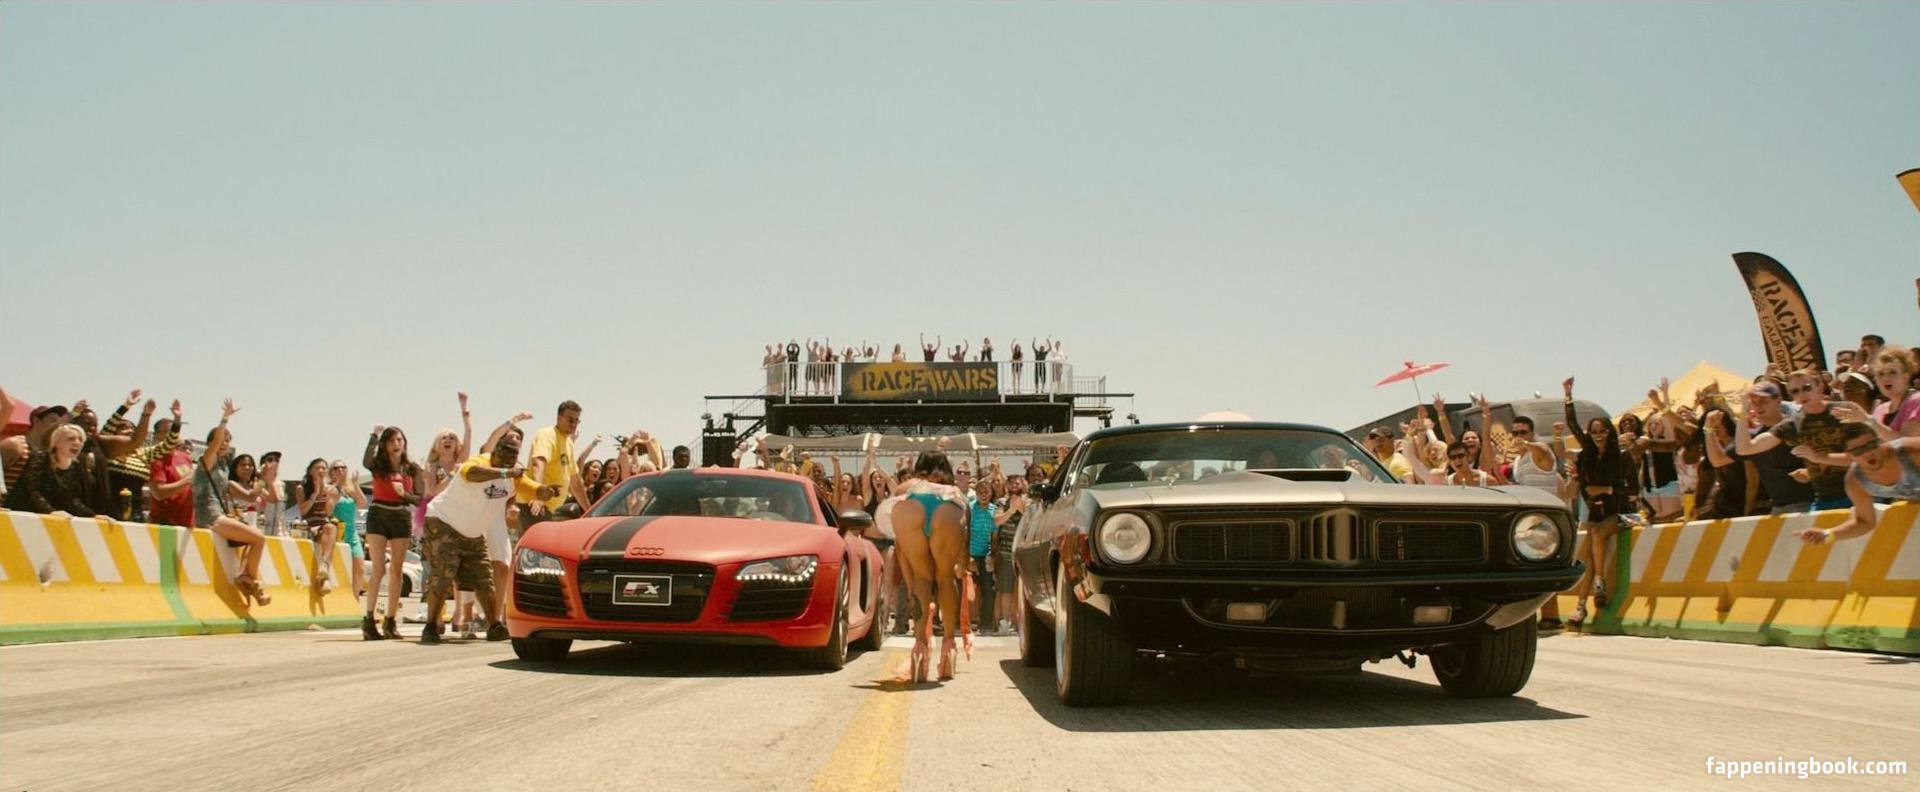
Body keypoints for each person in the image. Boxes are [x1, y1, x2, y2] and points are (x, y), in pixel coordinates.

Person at [419, 421, 524, 644]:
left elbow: (527, 488)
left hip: (473, 531)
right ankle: (430, 626)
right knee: (443, 575)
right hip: (444, 522)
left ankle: (494, 625)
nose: (509, 457)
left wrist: (543, 492)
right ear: (495, 452)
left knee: (484, 577)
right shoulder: (478, 464)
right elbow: (471, 473)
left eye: (514, 454)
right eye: (505, 451)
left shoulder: (511, 479)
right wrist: (505, 470)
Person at [884, 452, 971, 682]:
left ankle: (920, 648)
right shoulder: (954, 491)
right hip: (947, 511)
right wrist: (963, 563)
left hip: (910, 509)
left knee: (922, 579)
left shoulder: (906, 487)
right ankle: (949, 645)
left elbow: (899, 545)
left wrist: (910, 584)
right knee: (945, 578)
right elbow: (966, 535)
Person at [1735, 369, 1854, 512]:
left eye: (1807, 388)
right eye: (1795, 391)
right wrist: (1744, 409)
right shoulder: (1792, 425)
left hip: (1858, 495)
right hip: (1824, 501)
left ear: (1820, 386)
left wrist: (1818, 458)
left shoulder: (1844, 411)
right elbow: (1744, 449)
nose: (1802, 394)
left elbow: (1860, 457)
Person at [193, 399, 273, 607]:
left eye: (228, 440)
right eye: (222, 439)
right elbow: (216, 442)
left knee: (253, 537)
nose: (225, 442)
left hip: (221, 515)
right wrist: (225, 419)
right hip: (210, 516)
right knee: (258, 538)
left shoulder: (223, 466)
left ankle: (250, 579)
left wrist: (263, 478)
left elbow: (251, 495)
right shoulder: (207, 460)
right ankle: (248, 579)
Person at [1564, 378, 1627, 629]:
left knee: (1599, 534)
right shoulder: (1586, 457)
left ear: (1610, 433)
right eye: (1594, 432)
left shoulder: (1619, 457)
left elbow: (1628, 491)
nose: (1598, 435)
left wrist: (1605, 489)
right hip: (1594, 512)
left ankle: (1600, 581)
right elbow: (1572, 425)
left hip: (1619, 511)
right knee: (1588, 558)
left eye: (1603, 431)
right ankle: (1581, 607)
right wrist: (1568, 396)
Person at [1797, 433, 1920, 545]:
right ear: (1849, 456)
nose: (1868, 453)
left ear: (1879, 441)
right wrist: (1826, 534)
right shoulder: (1856, 481)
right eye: (1858, 451)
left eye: (1871, 445)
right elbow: (1864, 522)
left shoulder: (1909, 451)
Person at [361, 425, 422, 640]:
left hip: (400, 515)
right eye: (392, 441)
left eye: (399, 440)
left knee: (397, 569)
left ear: (404, 443)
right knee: (378, 568)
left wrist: (404, 494)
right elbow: (366, 461)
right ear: (385, 445)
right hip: (379, 513)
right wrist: (374, 436)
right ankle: (369, 619)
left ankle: (390, 620)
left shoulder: (412, 468)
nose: (396, 444)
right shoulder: (379, 465)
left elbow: (420, 499)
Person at [1728, 381, 1816, 514]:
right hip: (1778, 507)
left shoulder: (1795, 425)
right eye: (1754, 402)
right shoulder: (1761, 434)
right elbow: (1741, 450)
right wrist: (1744, 410)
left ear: (1778, 401)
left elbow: (1824, 457)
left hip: (1807, 504)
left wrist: (1810, 472)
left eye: (1764, 401)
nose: (1758, 406)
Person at [515, 401, 588, 535]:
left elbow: (575, 481)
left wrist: (589, 511)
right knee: (535, 546)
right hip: (535, 505)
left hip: (551, 510)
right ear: (559, 418)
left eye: (576, 420)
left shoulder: (569, 443)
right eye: (570, 419)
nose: (573, 424)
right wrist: (539, 495)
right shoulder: (547, 435)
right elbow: (538, 463)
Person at [5, 424, 96, 517]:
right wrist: (50, 511)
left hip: (48, 517)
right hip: (20, 513)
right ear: (56, 443)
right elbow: (32, 491)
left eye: (81, 440)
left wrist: (93, 515)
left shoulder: (76, 467)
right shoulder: (39, 459)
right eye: (71, 439)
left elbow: (72, 500)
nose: (77, 443)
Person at [291, 458, 340, 592]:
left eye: (324, 468)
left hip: (323, 526)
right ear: (310, 471)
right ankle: (324, 581)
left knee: (331, 527)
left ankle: (324, 567)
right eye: (317, 468)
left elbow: (328, 513)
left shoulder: (330, 489)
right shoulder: (301, 488)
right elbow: (303, 511)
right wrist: (315, 494)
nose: (321, 471)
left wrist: (331, 496)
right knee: (329, 533)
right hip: (306, 525)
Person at [989, 472, 1028, 636]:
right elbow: (996, 521)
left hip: (1024, 550)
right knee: (1005, 588)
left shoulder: (1030, 502)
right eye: (1011, 483)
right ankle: (1005, 622)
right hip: (1005, 550)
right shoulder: (1001, 503)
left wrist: (1022, 509)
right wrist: (1011, 510)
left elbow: (1033, 521)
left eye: (1017, 483)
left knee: (1023, 589)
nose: (1014, 486)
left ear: (1023, 485)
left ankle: (1021, 624)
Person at [328, 459, 368, 598]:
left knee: (360, 568)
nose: (340, 470)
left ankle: (354, 600)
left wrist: (356, 485)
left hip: (352, 534)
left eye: (343, 467)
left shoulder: (350, 488)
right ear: (331, 472)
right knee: (337, 569)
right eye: (336, 468)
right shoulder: (330, 489)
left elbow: (363, 504)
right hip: (336, 533)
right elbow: (328, 511)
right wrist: (336, 488)